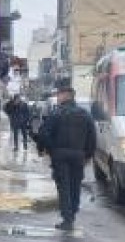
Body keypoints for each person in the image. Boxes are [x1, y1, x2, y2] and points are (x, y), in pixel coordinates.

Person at [33, 80, 97, 231]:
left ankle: (67, 219)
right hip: (78, 155)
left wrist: (48, 149)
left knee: (64, 186)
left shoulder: (56, 113)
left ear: (65, 96)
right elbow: (92, 137)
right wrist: (88, 155)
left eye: (59, 95)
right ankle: (72, 214)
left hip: (60, 155)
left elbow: (44, 133)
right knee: (75, 185)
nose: (57, 97)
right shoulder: (85, 114)